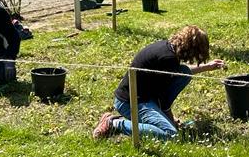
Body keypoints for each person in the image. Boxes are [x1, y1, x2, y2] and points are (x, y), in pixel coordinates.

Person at [93, 25, 225, 140]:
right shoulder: (168, 59)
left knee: (184, 72)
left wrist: (207, 66)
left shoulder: (167, 48)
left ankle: (154, 119)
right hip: (131, 103)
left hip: (144, 97)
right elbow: (163, 100)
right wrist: (170, 121)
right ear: (192, 48)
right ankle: (114, 123)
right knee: (170, 134)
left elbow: (177, 74)